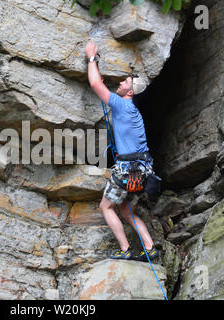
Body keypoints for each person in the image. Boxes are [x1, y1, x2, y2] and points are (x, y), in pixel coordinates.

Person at [85, 40, 158, 261]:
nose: (121, 82)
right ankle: (150, 247)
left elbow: (96, 85)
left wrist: (91, 58)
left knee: (106, 207)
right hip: (143, 170)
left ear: (130, 91)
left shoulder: (123, 105)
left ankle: (125, 249)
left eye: (125, 81)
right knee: (126, 210)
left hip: (127, 171)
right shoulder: (133, 110)